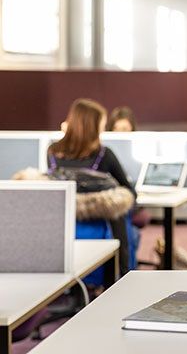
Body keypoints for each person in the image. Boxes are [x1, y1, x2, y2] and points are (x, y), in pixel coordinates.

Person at [49, 98, 137, 274]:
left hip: (66, 221)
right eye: (102, 125)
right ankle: (122, 274)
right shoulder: (104, 154)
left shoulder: (52, 151)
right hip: (104, 221)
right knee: (121, 209)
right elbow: (129, 191)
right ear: (93, 126)